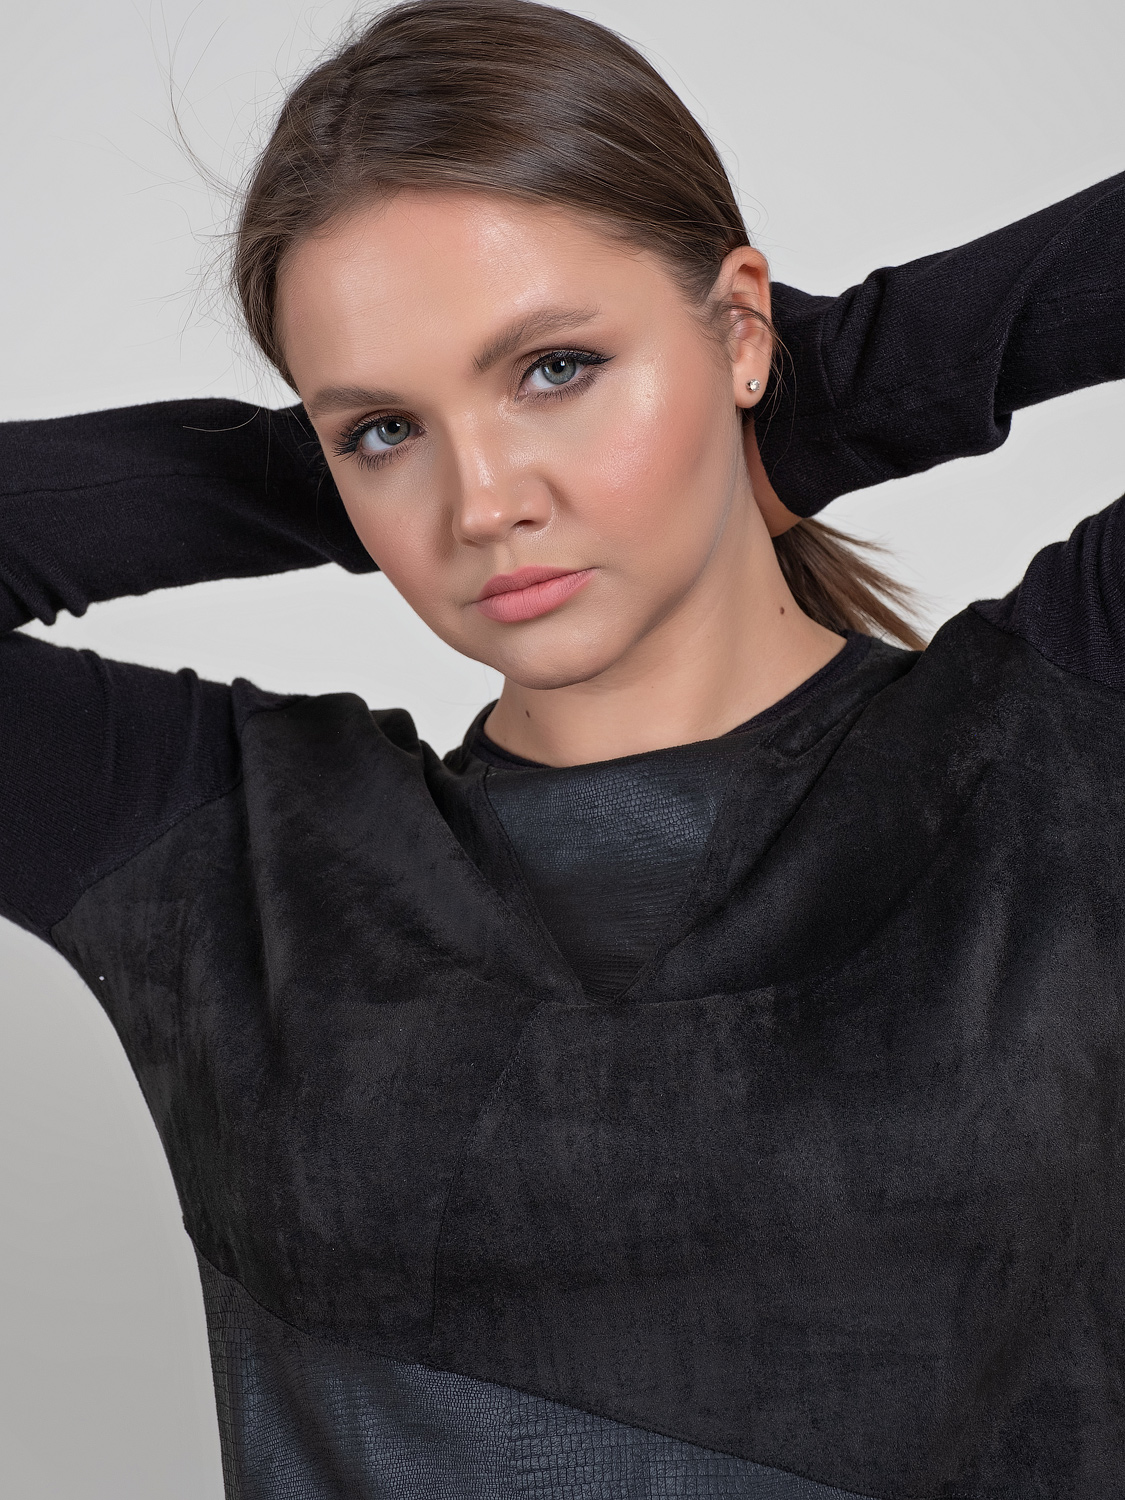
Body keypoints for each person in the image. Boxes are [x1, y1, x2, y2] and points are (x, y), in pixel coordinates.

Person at [1, 0, 1123, 1495]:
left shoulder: (1056, 735)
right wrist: (320, 470)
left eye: (554, 369)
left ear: (740, 326)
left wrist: (829, 395)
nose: (482, 505)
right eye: (385, 432)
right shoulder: (231, 853)